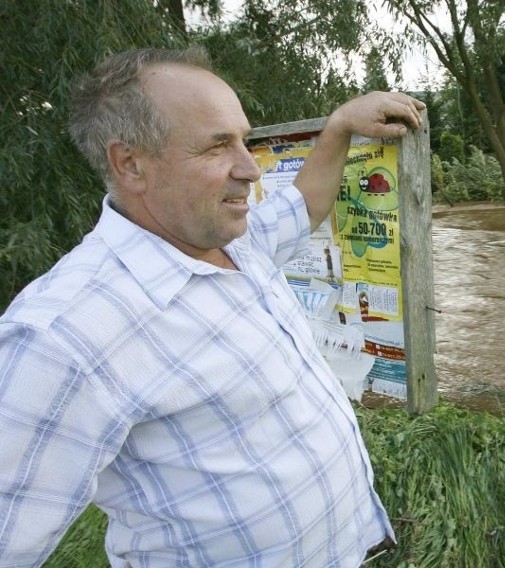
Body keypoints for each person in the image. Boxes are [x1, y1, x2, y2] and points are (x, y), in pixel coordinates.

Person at [0, 47, 425, 567]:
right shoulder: (63, 334)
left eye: (244, 140)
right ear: (131, 164)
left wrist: (338, 127)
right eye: (218, 146)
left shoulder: (236, 241)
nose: (249, 169)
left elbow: (306, 204)